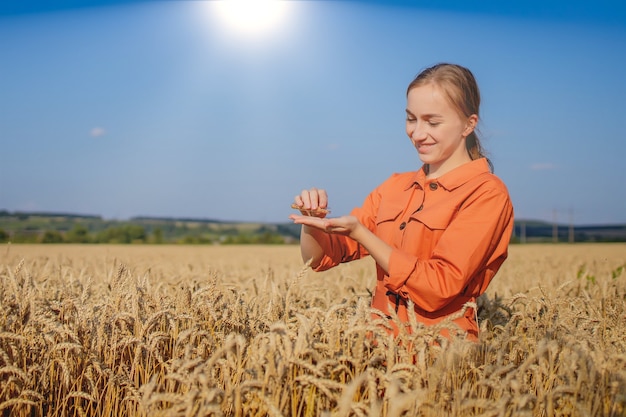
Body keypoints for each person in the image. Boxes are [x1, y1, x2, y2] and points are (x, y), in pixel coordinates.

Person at [289, 63, 514, 341]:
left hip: (442, 363)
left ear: (469, 124)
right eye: (411, 119)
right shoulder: (394, 187)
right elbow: (319, 258)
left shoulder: (486, 194)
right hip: (377, 358)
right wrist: (312, 221)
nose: (418, 134)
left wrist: (362, 233)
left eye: (433, 122)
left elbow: (439, 287)